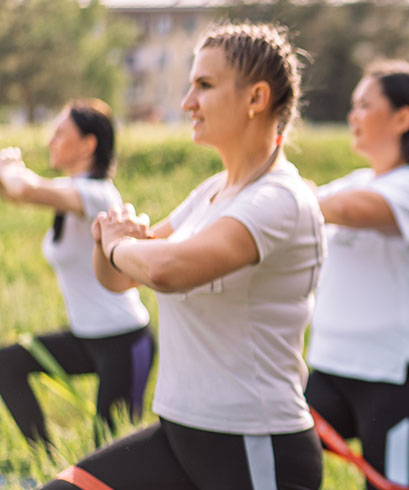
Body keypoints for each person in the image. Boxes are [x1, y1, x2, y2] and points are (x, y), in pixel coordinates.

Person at [42, 23, 324, 489]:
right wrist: (106, 241)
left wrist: (119, 245)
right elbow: (120, 279)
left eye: (204, 86)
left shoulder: (280, 199)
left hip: (254, 447)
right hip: (181, 436)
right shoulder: (211, 193)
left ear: (256, 98)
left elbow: (167, 270)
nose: (186, 103)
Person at [303, 60, 409, 489]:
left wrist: (281, 192)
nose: (352, 116)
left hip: (401, 380)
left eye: (364, 105)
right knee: (272, 456)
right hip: (331, 369)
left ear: (403, 118)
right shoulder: (357, 180)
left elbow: (348, 210)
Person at [0, 100, 154, 448]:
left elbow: (24, 187)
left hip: (123, 340)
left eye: (59, 133)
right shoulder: (70, 192)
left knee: (110, 453)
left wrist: (10, 165)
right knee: (6, 364)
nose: (50, 141)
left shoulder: (97, 195)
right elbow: (15, 192)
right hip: (84, 338)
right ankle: (46, 463)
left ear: (88, 144)